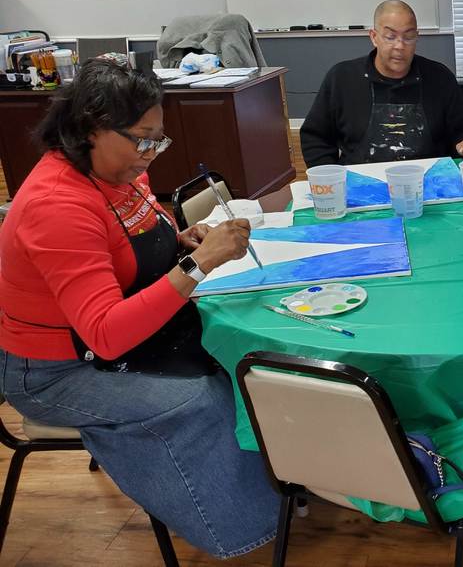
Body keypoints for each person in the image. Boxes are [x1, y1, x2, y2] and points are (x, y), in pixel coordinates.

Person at [0, 54, 278, 558]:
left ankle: (277, 481)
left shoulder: (120, 169)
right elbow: (106, 333)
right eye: (141, 138)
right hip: (52, 371)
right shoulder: (56, 204)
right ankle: (247, 526)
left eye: (158, 138)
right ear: (90, 128)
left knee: (242, 351)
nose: (151, 152)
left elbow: (133, 242)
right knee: (200, 398)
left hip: (106, 341)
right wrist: (198, 267)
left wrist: (182, 242)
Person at [300, 0, 463, 165]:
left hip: (429, 186)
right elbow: (315, 138)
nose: (400, 46)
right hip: (360, 187)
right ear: (374, 37)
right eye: (390, 37)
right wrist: (330, 178)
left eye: (408, 37)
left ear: (417, 37)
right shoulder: (342, 78)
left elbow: (462, 131)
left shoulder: (440, 77)